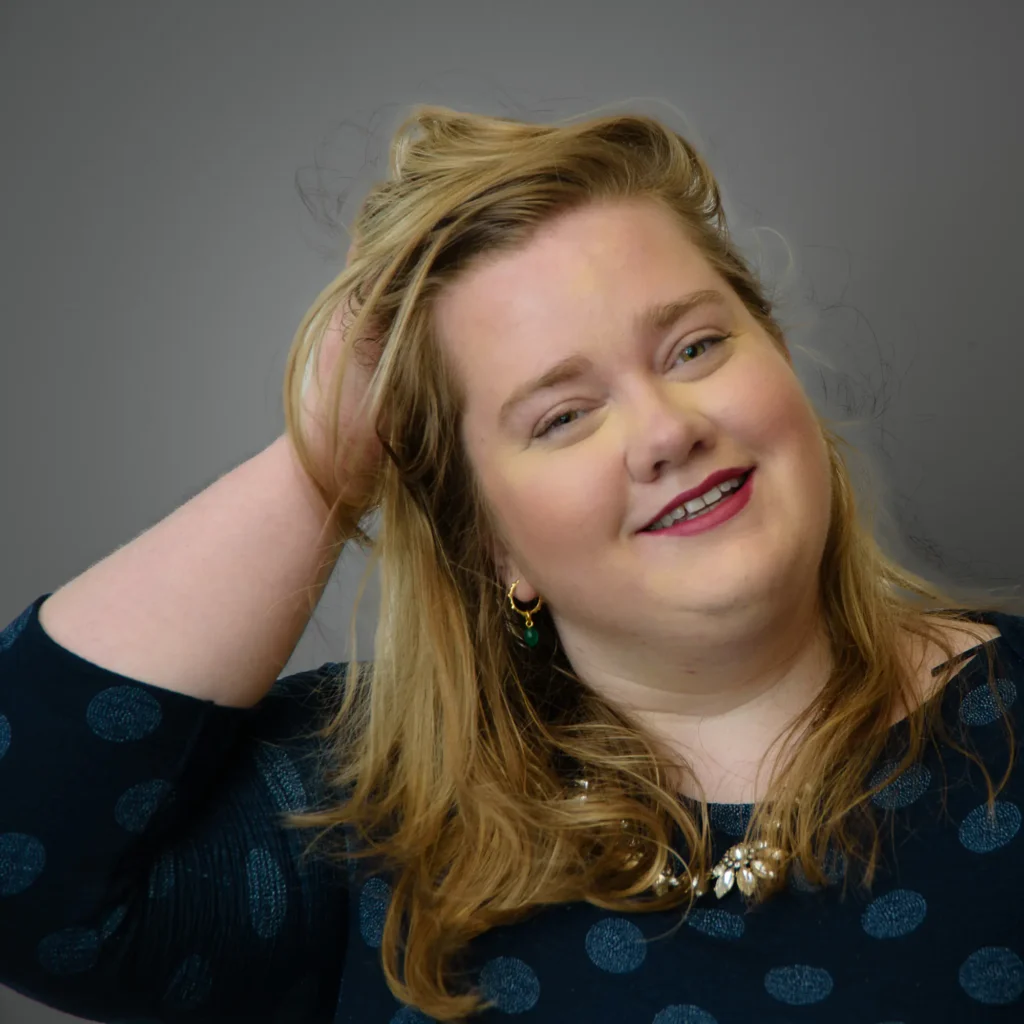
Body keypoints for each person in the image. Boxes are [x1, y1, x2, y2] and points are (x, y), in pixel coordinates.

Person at [1, 104, 1021, 1024]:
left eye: (696, 347)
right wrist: (325, 461)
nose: (664, 430)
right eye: (563, 415)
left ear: (781, 366)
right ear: (492, 546)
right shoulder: (367, 812)